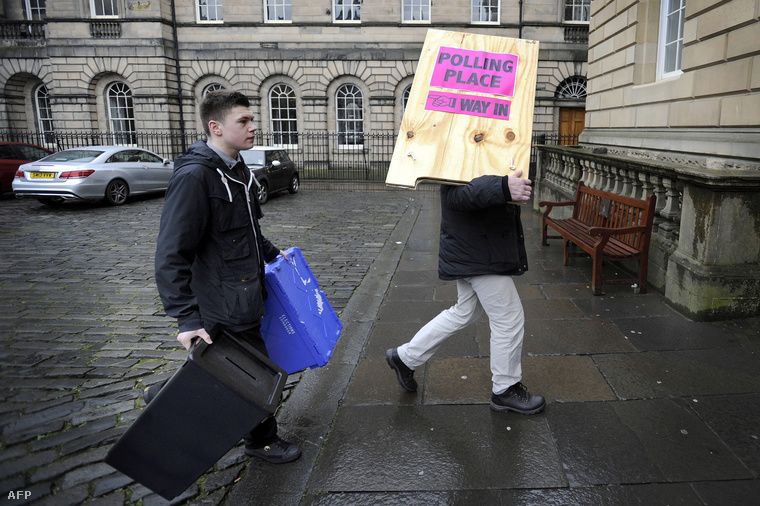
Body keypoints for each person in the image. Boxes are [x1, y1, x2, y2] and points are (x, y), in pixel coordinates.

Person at [153, 89, 301, 463]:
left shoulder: (235, 170)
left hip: (246, 295)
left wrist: (271, 253)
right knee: (255, 377)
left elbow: (246, 228)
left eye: (252, 119)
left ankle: (162, 395)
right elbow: (171, 254)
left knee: (231, 373)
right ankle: (261, 440)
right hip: (224, 303)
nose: (254, 126)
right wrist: (187, 319)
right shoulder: (195, 177)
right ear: (215, 127)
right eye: (244, 121)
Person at [386, 171, 545, 415]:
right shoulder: (461, 140)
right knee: (509, 319)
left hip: (475, 247)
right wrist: (503, 186)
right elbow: (456, 195)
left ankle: (406, 357)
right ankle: (505, 390)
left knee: (465, 311)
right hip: (479, 251)